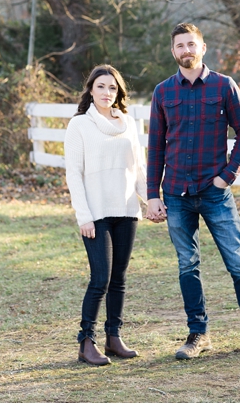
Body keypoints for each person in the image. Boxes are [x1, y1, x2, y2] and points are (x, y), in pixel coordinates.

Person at [145, 23, 240, 359]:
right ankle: (197, 335)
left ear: (203, 48)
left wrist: (226, 177)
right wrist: (153, 194)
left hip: (215, 192)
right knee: (187, 266)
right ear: (173, 51)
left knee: (238, 264)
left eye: (191, 44)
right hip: (175, 193)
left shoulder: (223, 87)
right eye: (179, 46)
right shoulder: (163, 92)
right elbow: (156, 147)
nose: (186, 50)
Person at [64, 65, 148, 366]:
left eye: (112, 88)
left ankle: (114, 338)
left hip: (126, 210)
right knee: (100, 277)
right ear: (90, 90)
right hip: (96, 213)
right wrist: (83, 216)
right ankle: (86, 342)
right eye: (101, 87)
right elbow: (74, 174)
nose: (107, 93)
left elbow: (138, 168)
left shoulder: (128, 122)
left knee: (119, 278)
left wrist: (150, 199)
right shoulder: (79, 125)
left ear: (119, 92)